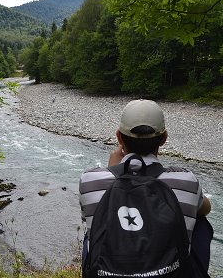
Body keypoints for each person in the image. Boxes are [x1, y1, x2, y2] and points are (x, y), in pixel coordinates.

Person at [79, 99, 212, 275]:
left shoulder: (90, 180)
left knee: (92, 229)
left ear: (119, 137)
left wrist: (112, 170)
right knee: (199, 221)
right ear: (163, 139)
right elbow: (206, 209)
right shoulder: (187, 180)